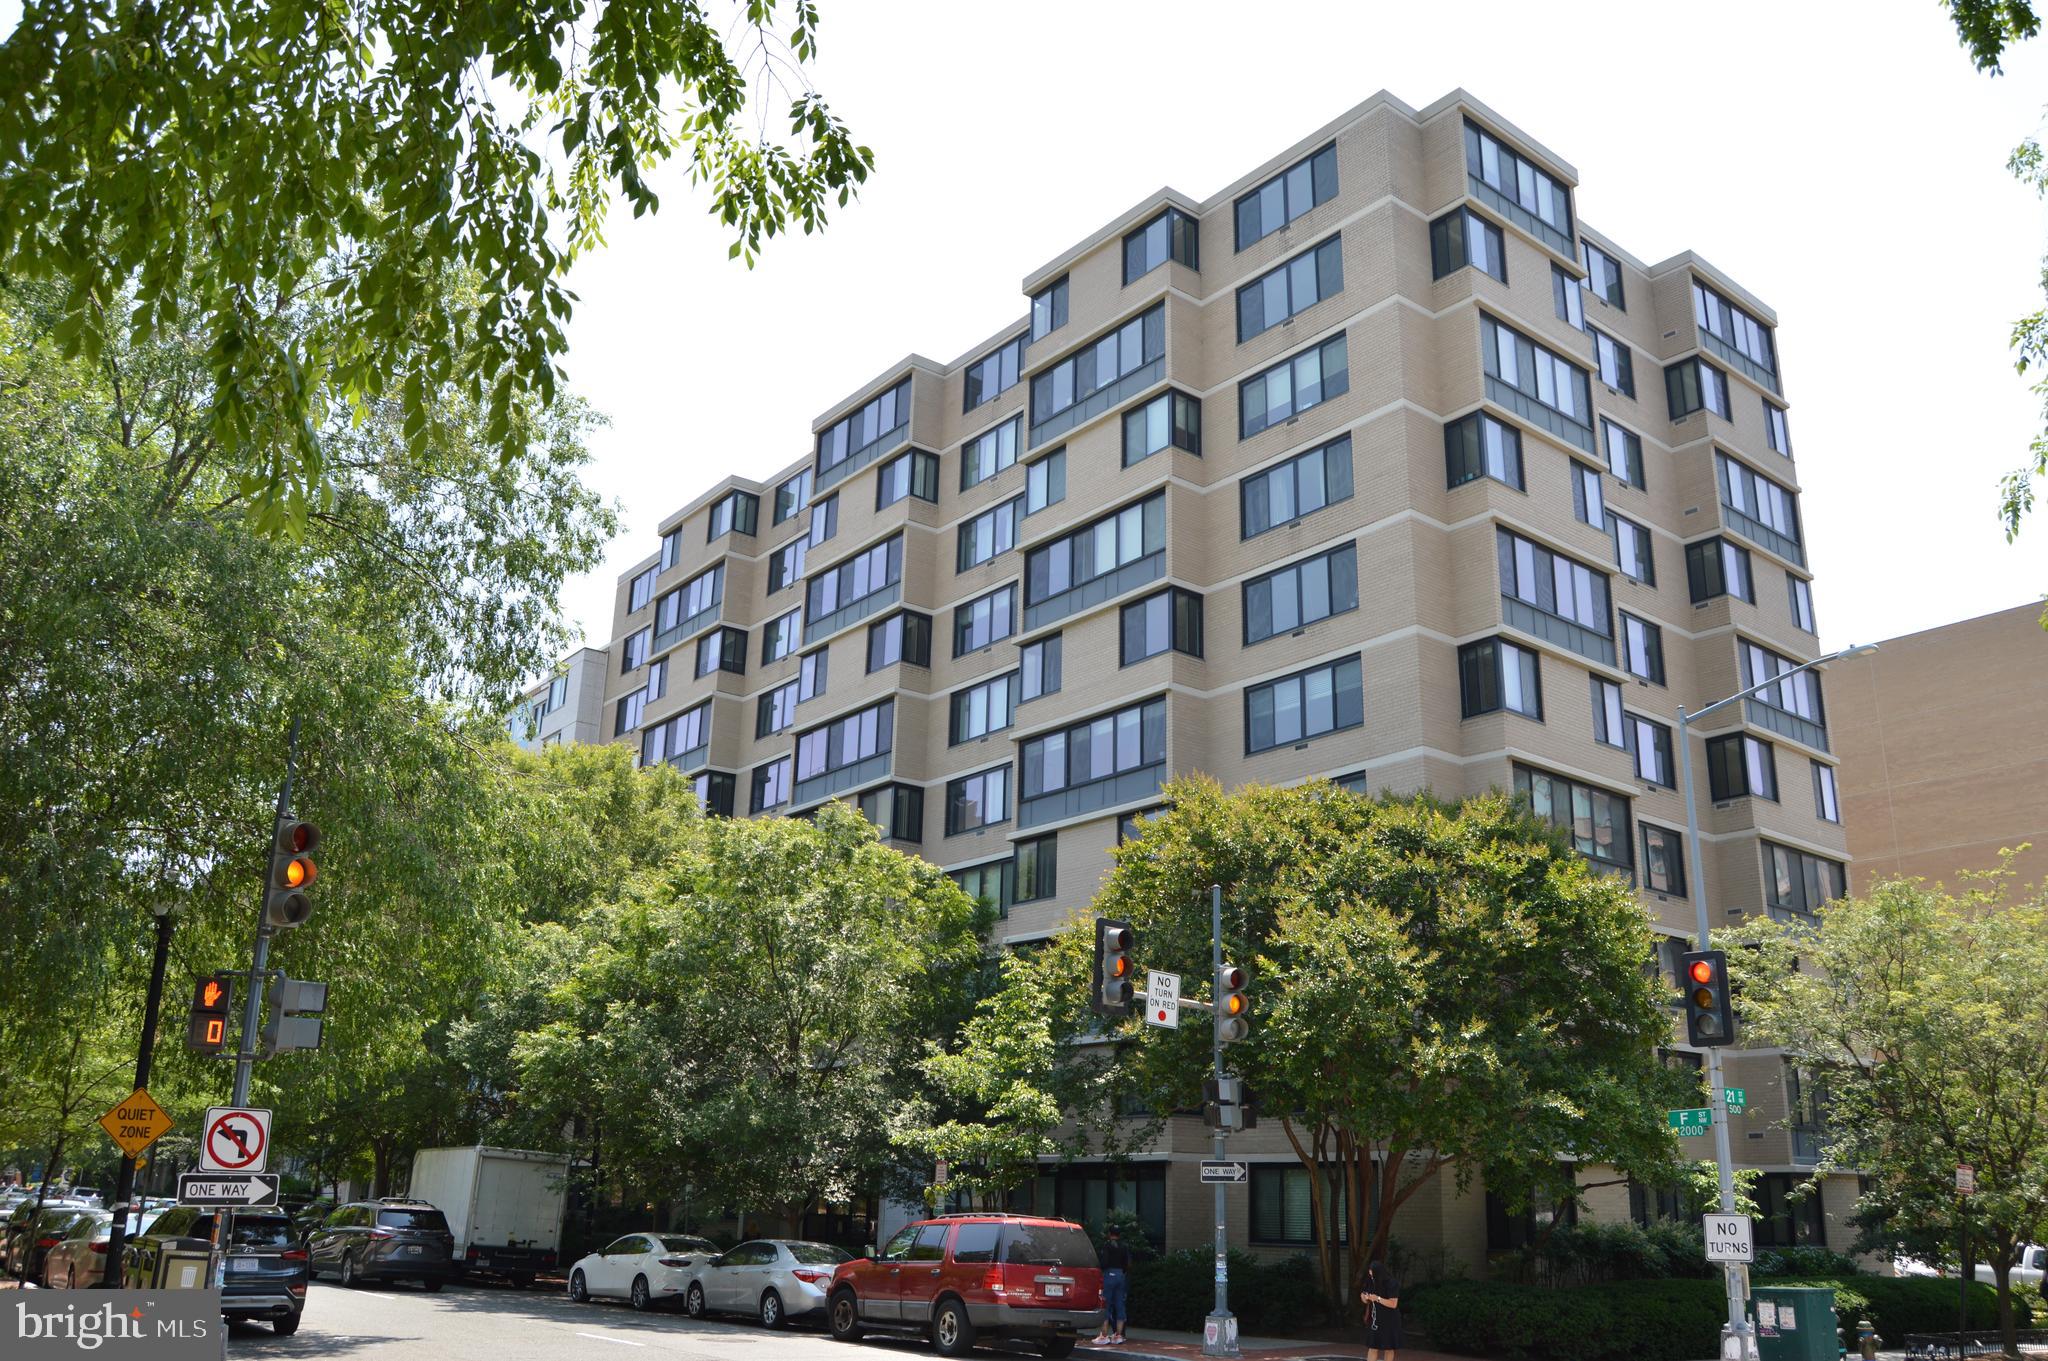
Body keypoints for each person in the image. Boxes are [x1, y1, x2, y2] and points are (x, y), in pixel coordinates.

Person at [1091, 1225, 1131, 1346]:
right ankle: (1118, 1335)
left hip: (1109, 1274)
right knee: (1120, 1304)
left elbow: (1104, 1262)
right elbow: (1127, 1263)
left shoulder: (1107, 1246)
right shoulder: (1124, 1246)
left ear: (1110, 1233)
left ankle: (1103, 1335)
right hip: (1121, 1275)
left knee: (1105, 1303)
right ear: (1119, 1234)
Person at [1360, 1259, 1401, 1361]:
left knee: (1389, 1347)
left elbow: (1393, 1304)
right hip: (1375, 1320)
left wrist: (1377, 1299)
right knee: (1373, 1346)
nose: (1371, 1276)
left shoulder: (1392, 1283)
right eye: (1370, 1273)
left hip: (1390, 1320)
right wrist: (1364, 1298)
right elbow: (1363, 1293)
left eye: (1373, 1274)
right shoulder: (1371, 1281)